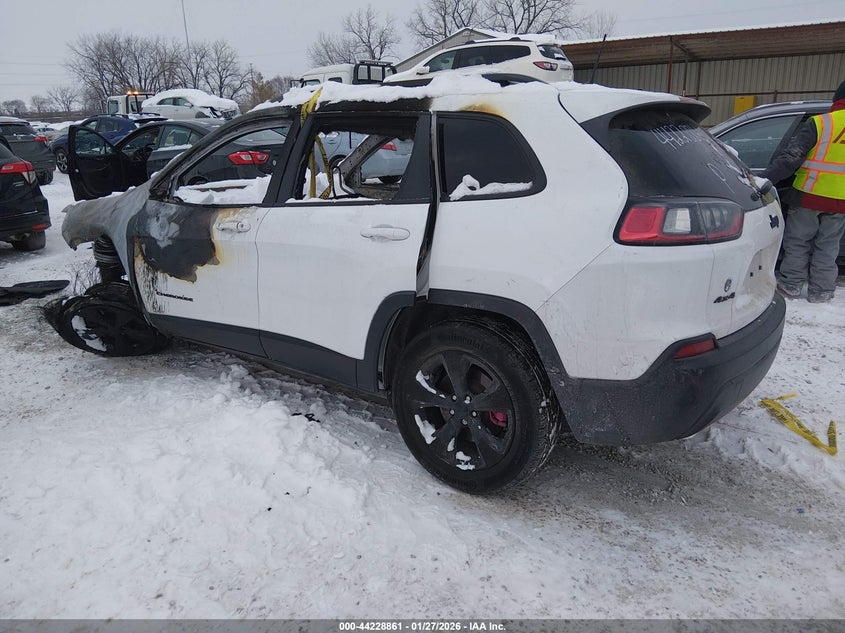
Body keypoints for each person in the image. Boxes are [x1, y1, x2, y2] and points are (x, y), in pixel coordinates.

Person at [761, 80, 845, 303]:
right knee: (829, 245)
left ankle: (791, 284)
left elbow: (791, 158)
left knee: (798, 241)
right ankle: (822, 291)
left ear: (837, 99)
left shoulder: (820, 123)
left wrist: (766, 179)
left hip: (809, 195)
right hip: (840, 201)